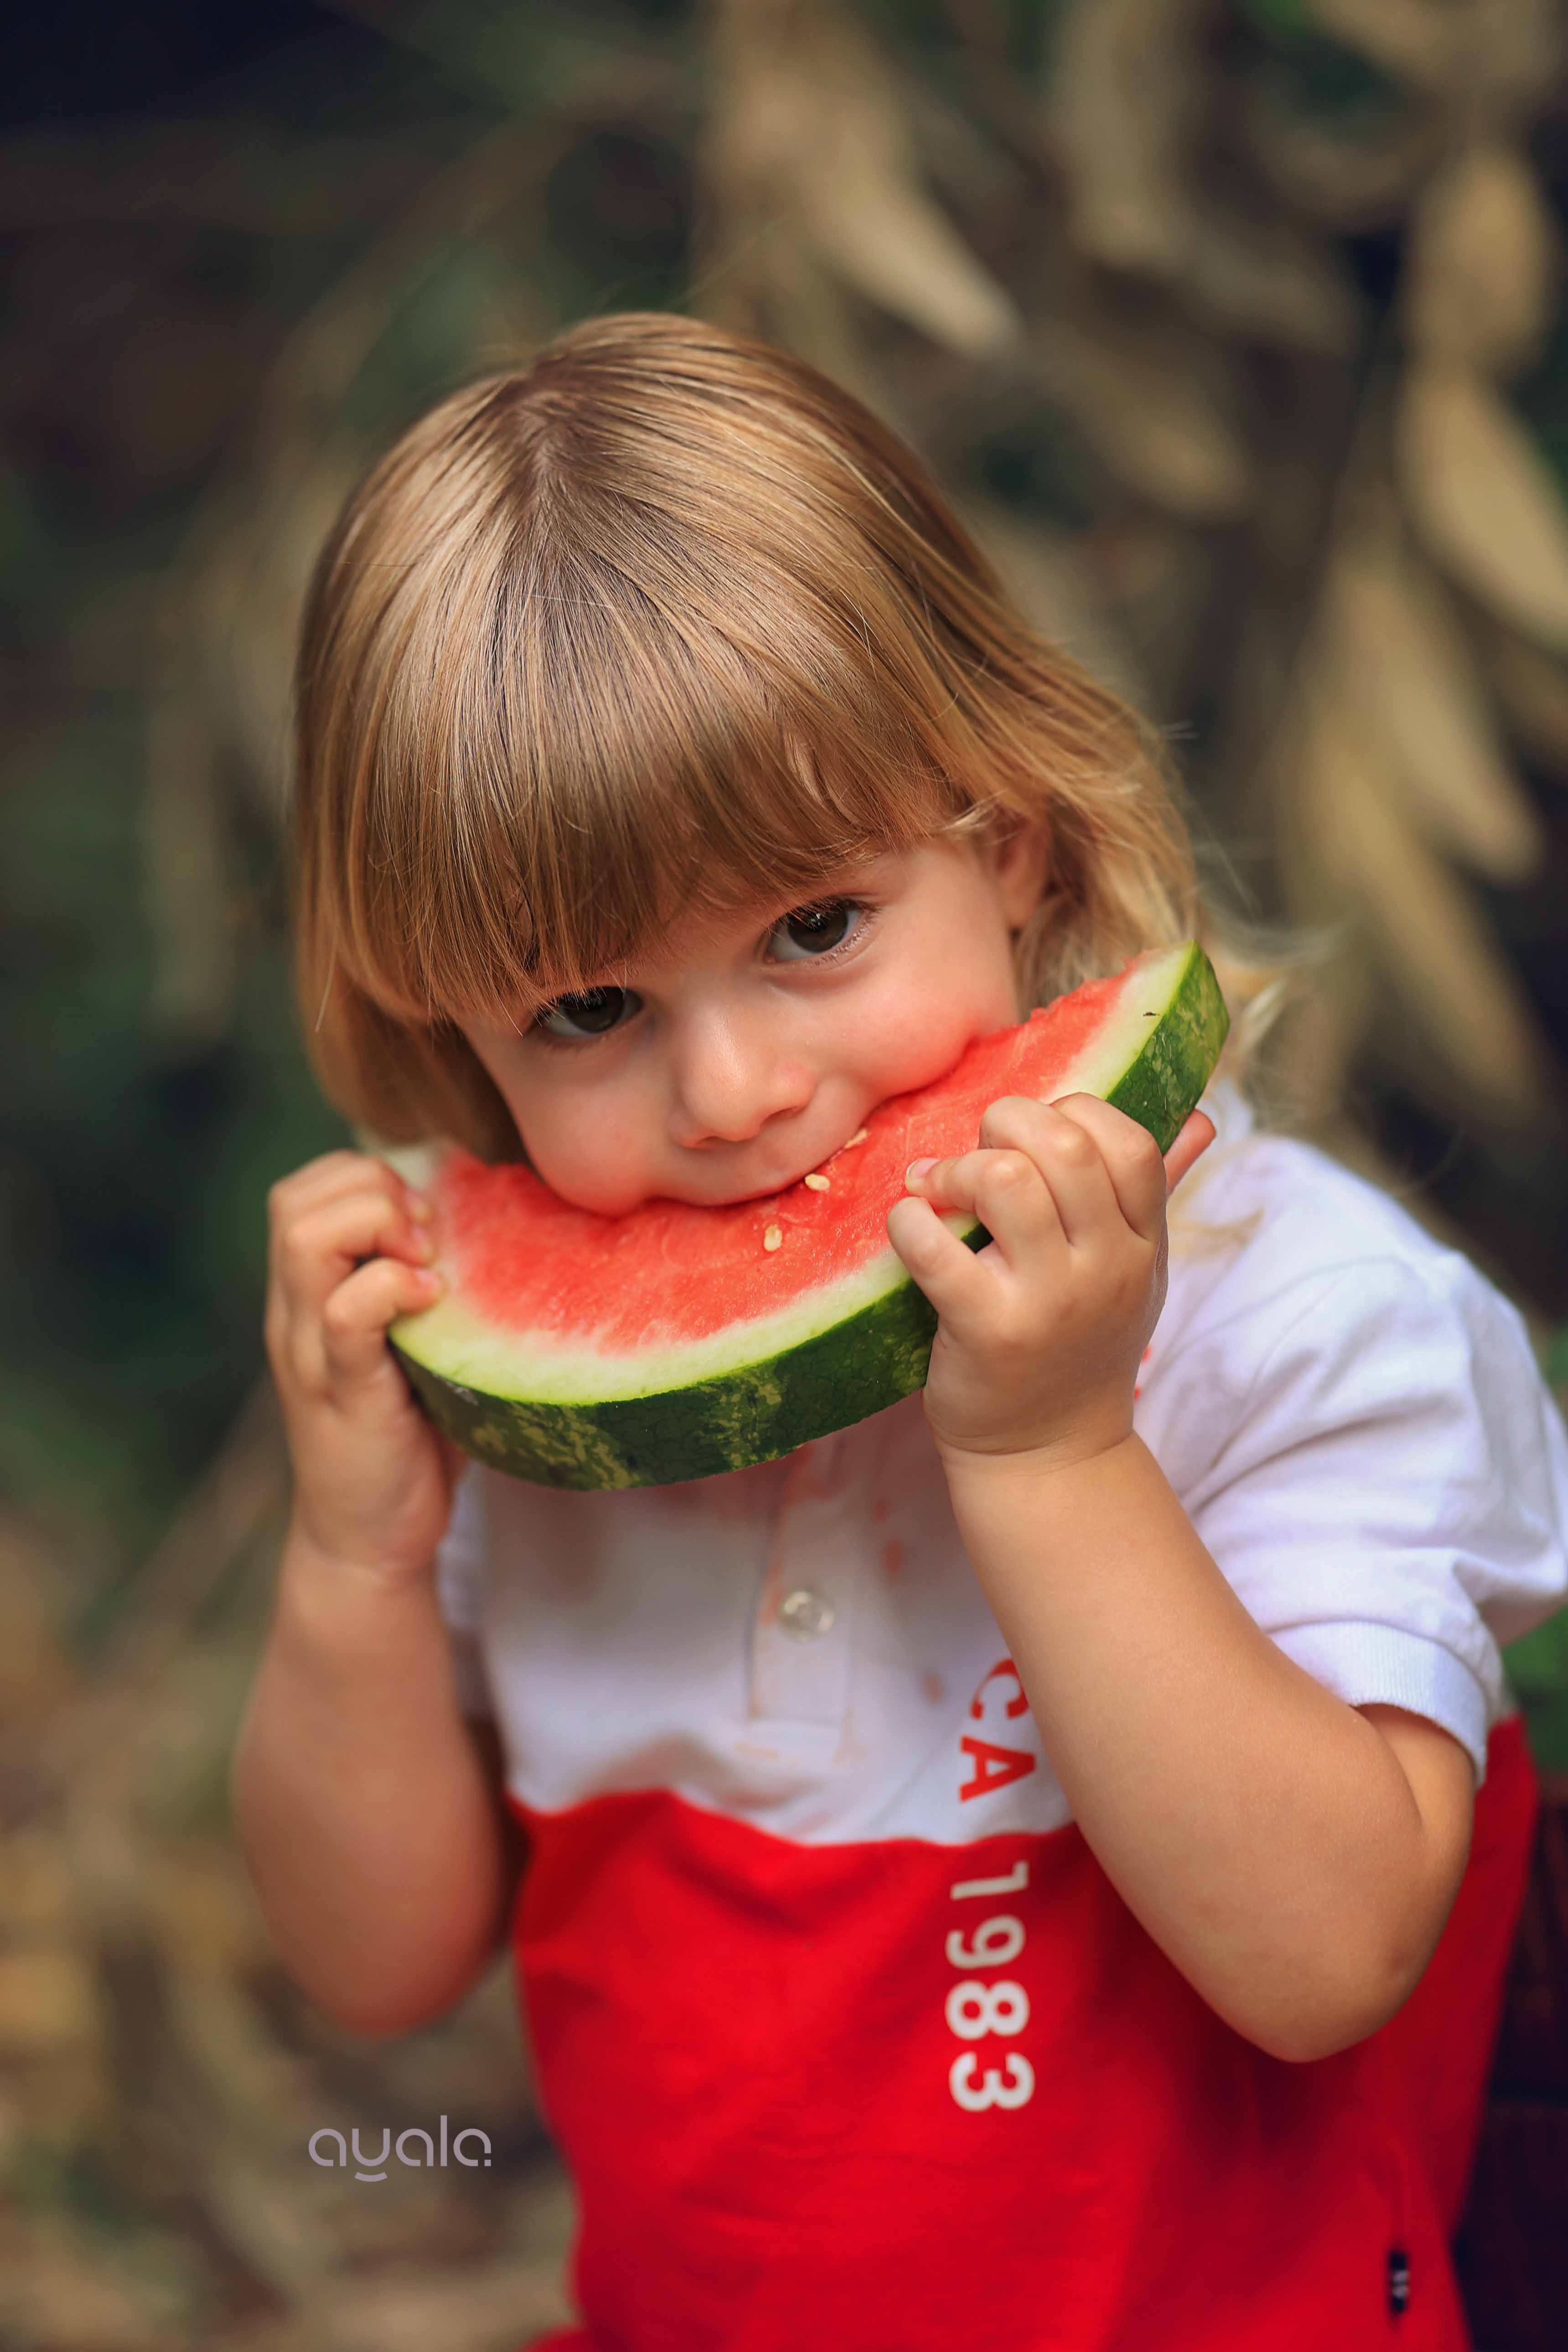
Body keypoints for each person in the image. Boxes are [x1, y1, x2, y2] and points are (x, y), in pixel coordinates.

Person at [232, 311, 1568, 2352]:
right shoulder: (544, 1427)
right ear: (449, 1044)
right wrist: (355, 1560)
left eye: (812, 929)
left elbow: (1323, 1955)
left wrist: (1051, 1453)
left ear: (1004, 837)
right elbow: (372, 1965)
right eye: (588, 1012)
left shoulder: (1296, 1318)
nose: (736, 1092)